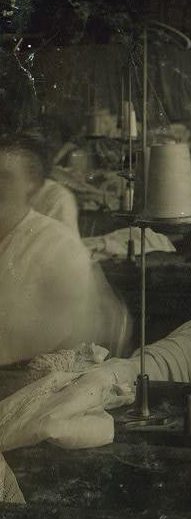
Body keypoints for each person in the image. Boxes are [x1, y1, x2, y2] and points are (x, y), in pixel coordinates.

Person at [0, 133, 129, 366]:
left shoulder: (58, 246)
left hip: (31, 381)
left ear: (33, 186)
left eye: (4, 177)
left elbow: (59, 342)